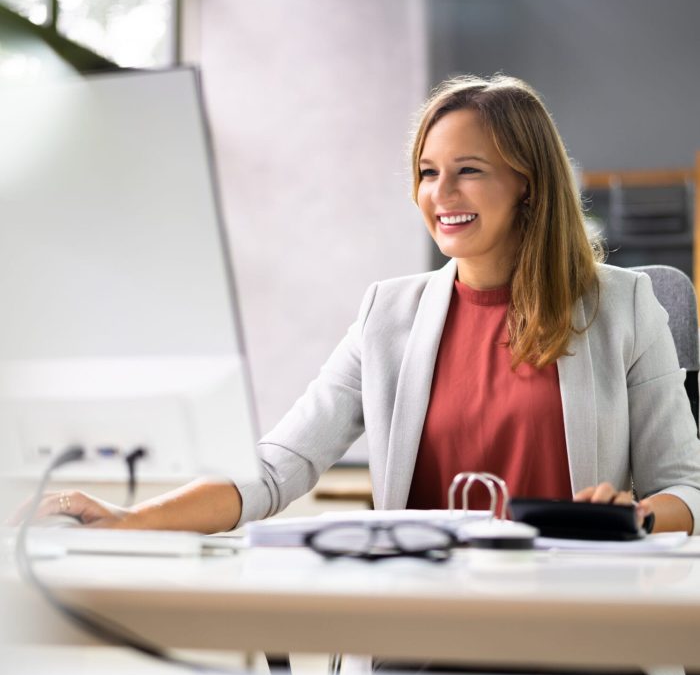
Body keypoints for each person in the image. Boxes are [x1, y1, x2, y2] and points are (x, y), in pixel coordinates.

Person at [39, 74, 700, 534]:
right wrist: (133, 518)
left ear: (527, 185)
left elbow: (685, 488)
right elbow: (277, 468)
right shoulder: (388, 314)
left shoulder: (626, 306)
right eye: (427, 172)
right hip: (420, 626)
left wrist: (634, 517)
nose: (442, 194)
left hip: (577, 617)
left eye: (469, 169)